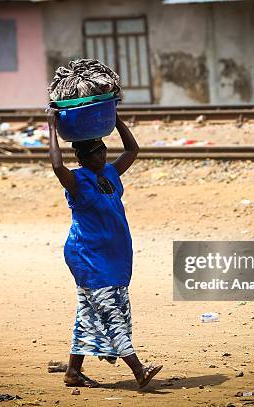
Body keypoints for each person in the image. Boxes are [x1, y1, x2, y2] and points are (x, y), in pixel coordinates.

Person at [46, 108, 163, 389]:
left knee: (87, 313)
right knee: (111, 312)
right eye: (95, 153)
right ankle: (138, 370)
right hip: (88, 257)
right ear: (82, 158)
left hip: (112, 258)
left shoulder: (110, 173)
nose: (101, 156)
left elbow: (133, 149)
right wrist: (51, 126)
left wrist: (115, 118)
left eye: (102, 150)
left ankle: (73, 372)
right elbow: (57, 167)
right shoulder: (76, 182)